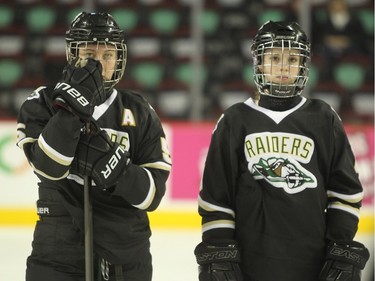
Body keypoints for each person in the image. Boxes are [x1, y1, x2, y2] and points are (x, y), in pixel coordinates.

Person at [194, 21, 369, 281]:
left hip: (313, 264)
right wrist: (219, 248)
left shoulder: (323, 118)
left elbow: (345, 191)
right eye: (275, 57)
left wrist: (338, 245)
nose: (284, 66)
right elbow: (217, 198)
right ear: (259, 63)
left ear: (303, 65)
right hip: (249, 263)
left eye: (293, 58)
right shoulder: (234, 121)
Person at [16, 12, 172, 281]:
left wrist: (116, 169)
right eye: (89, 54)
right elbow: (49, 167)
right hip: (57, 256)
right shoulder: (42, 101)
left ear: (118, 59)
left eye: (107, 56)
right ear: (73, 54)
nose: (98, 64)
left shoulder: (139, 110)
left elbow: (152, 195)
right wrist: (73, 107)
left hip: (126, 257)